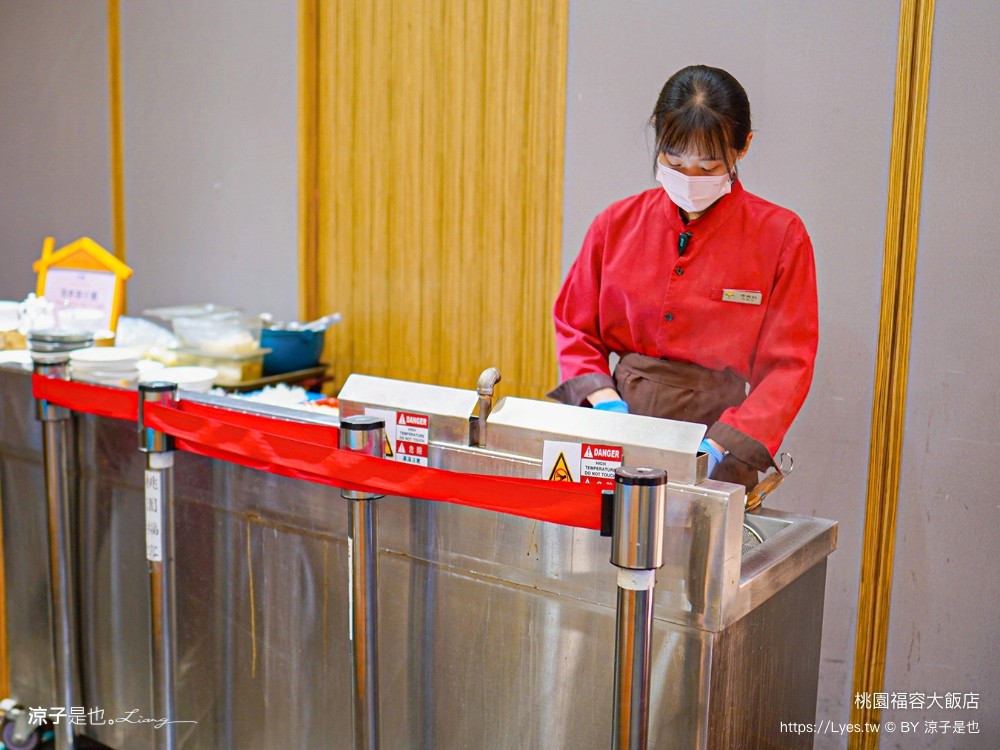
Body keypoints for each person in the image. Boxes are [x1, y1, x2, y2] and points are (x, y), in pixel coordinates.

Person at [549, 64, 818, 490]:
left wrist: (721, 445)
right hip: (616, 435)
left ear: (743, 147)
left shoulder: (781, 236)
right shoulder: (615, 224)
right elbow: (574, 327)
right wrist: (604, 403)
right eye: (674, 162)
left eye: (708, 169)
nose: (689, 179)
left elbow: (788, 366)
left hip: (717, 444)